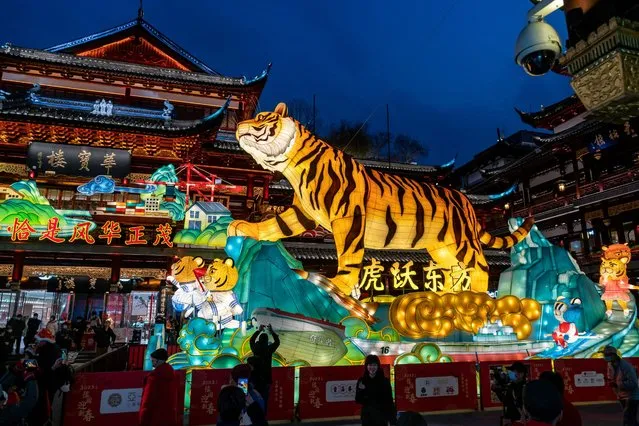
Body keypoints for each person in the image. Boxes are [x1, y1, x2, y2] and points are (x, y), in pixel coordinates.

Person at [139, 348, 178, 426]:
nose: (152, 363)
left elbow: (148, 400)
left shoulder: (153, 377)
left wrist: (143, 418)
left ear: (159, 361)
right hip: (169, 415)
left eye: (153, 361)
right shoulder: (172, 374)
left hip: (154, 416)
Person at [355, 354, 396, 426]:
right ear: (366, 366)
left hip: (381, 417)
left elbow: (389, 401)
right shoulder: (362, 381)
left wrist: (392, 419)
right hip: (367, 417)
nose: (372, 367)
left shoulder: (384, 381)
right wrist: (361, 390)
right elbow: (358, 399)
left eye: (374, 365)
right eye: (369, 365)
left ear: (378, 366)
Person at [604, 345, 639, 426]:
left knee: (628, 420)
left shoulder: (626, 367)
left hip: (631, 396)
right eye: (604, 355)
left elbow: (633, 383)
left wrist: (617, 384)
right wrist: (610, 382)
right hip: (621, 395)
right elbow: (611, 378)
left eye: (607, 355)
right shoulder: (610, 364)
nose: (605, 357)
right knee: (631, 420)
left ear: (614, 355)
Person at [249, 324, 280, 411]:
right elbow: (277, 342)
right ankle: (263, 415)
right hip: (266, 379)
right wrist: (272, 332)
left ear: (259, 339)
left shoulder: (254, 348)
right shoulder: (268, 349)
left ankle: (253, 416)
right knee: (264, 398)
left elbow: (251, 340)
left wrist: (258, 330)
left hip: (255, 379)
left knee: (254, 398)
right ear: (266, 341)